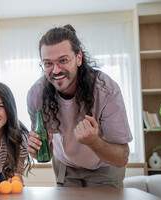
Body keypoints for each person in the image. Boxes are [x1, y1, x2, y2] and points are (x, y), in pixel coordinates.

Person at [27, 24, 133, 188]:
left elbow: (122, 158)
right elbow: (44, 155)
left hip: (104, 166)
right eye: (48, 63)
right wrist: (38, 150)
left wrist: (94, 142)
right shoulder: (36, 94)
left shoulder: (106, 90)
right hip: (65, 167)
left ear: (78, 58)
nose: (55, 70)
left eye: (63, 60)